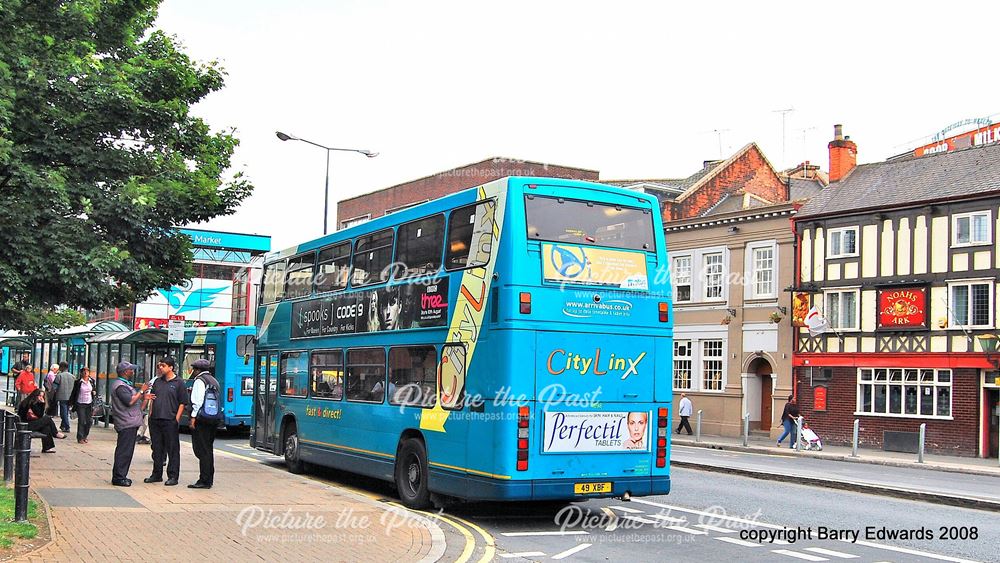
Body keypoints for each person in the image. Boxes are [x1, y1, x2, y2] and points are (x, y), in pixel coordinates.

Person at [144, 356, 189, 486]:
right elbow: (152, 398)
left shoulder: (179, 383)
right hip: (156, 419)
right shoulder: (158, 382)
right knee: (157, 448)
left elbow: (183, 403)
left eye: (163, 365)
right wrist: (151, 414)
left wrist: (176, 418)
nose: (160, 368)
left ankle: (173, 476)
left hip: (170, 420)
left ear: (171, 367)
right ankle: (156, 474)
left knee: (172, 449)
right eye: (159, 366)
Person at [110, 362, 149, 486]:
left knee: (127, 450)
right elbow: (130, 401)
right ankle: (119, 477)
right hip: (126, 422)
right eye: (131, 370)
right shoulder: (120, 386)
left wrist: (145, 398)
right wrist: (141, 392)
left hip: (130, 421)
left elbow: (137, 406)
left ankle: (121, 475)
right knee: (124, 450)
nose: (133, 372)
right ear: (125, 372)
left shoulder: (125, 385)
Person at [188, 359, 220, 489]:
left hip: (202, 418)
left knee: (201, 449)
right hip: (213, 417)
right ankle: (208, 478)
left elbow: (197, 401)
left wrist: (193, 417)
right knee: (208, 449)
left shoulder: (200, 381)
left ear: (197, 370)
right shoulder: (214, 380)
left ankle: (204, 480)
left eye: (194, 369)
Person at [69, 367, 97, 443]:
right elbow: (74, 393)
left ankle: (85, 435)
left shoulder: (91, 381)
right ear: (81, 373)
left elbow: (94, 390)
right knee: (82, 420)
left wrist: (94, 392)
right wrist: (71, 403)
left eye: (87, 371)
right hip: (80, 403)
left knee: (89, 421)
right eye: (84, 371)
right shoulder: (78, 382)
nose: (85, 373)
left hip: (89, 403)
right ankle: (80, 437)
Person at [53, 361, 75, 432]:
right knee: (66, 411)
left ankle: (67, 426)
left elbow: (54, 387)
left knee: (64, 412)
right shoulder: (72, 376)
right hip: (70, 397)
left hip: (62, 396)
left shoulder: (59, 376)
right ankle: (63, 426)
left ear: (61, 367)